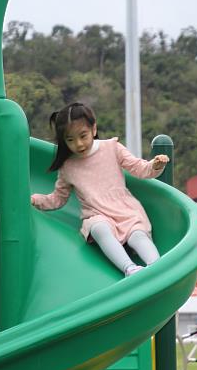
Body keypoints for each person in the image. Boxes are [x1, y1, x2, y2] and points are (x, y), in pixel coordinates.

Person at [31, 102, 169, 276]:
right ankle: (130, 268)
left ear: (93, 129)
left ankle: (157, 266)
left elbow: (139, 169)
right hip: (97, 214)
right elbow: (58, 199)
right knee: (99, 228)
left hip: (125, 210)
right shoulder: (68, 167)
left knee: (137, 235)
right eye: (70, 140)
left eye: (83, 136)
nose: (79, 144)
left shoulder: (112, 148)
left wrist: (155, 165)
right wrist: (35, 200)